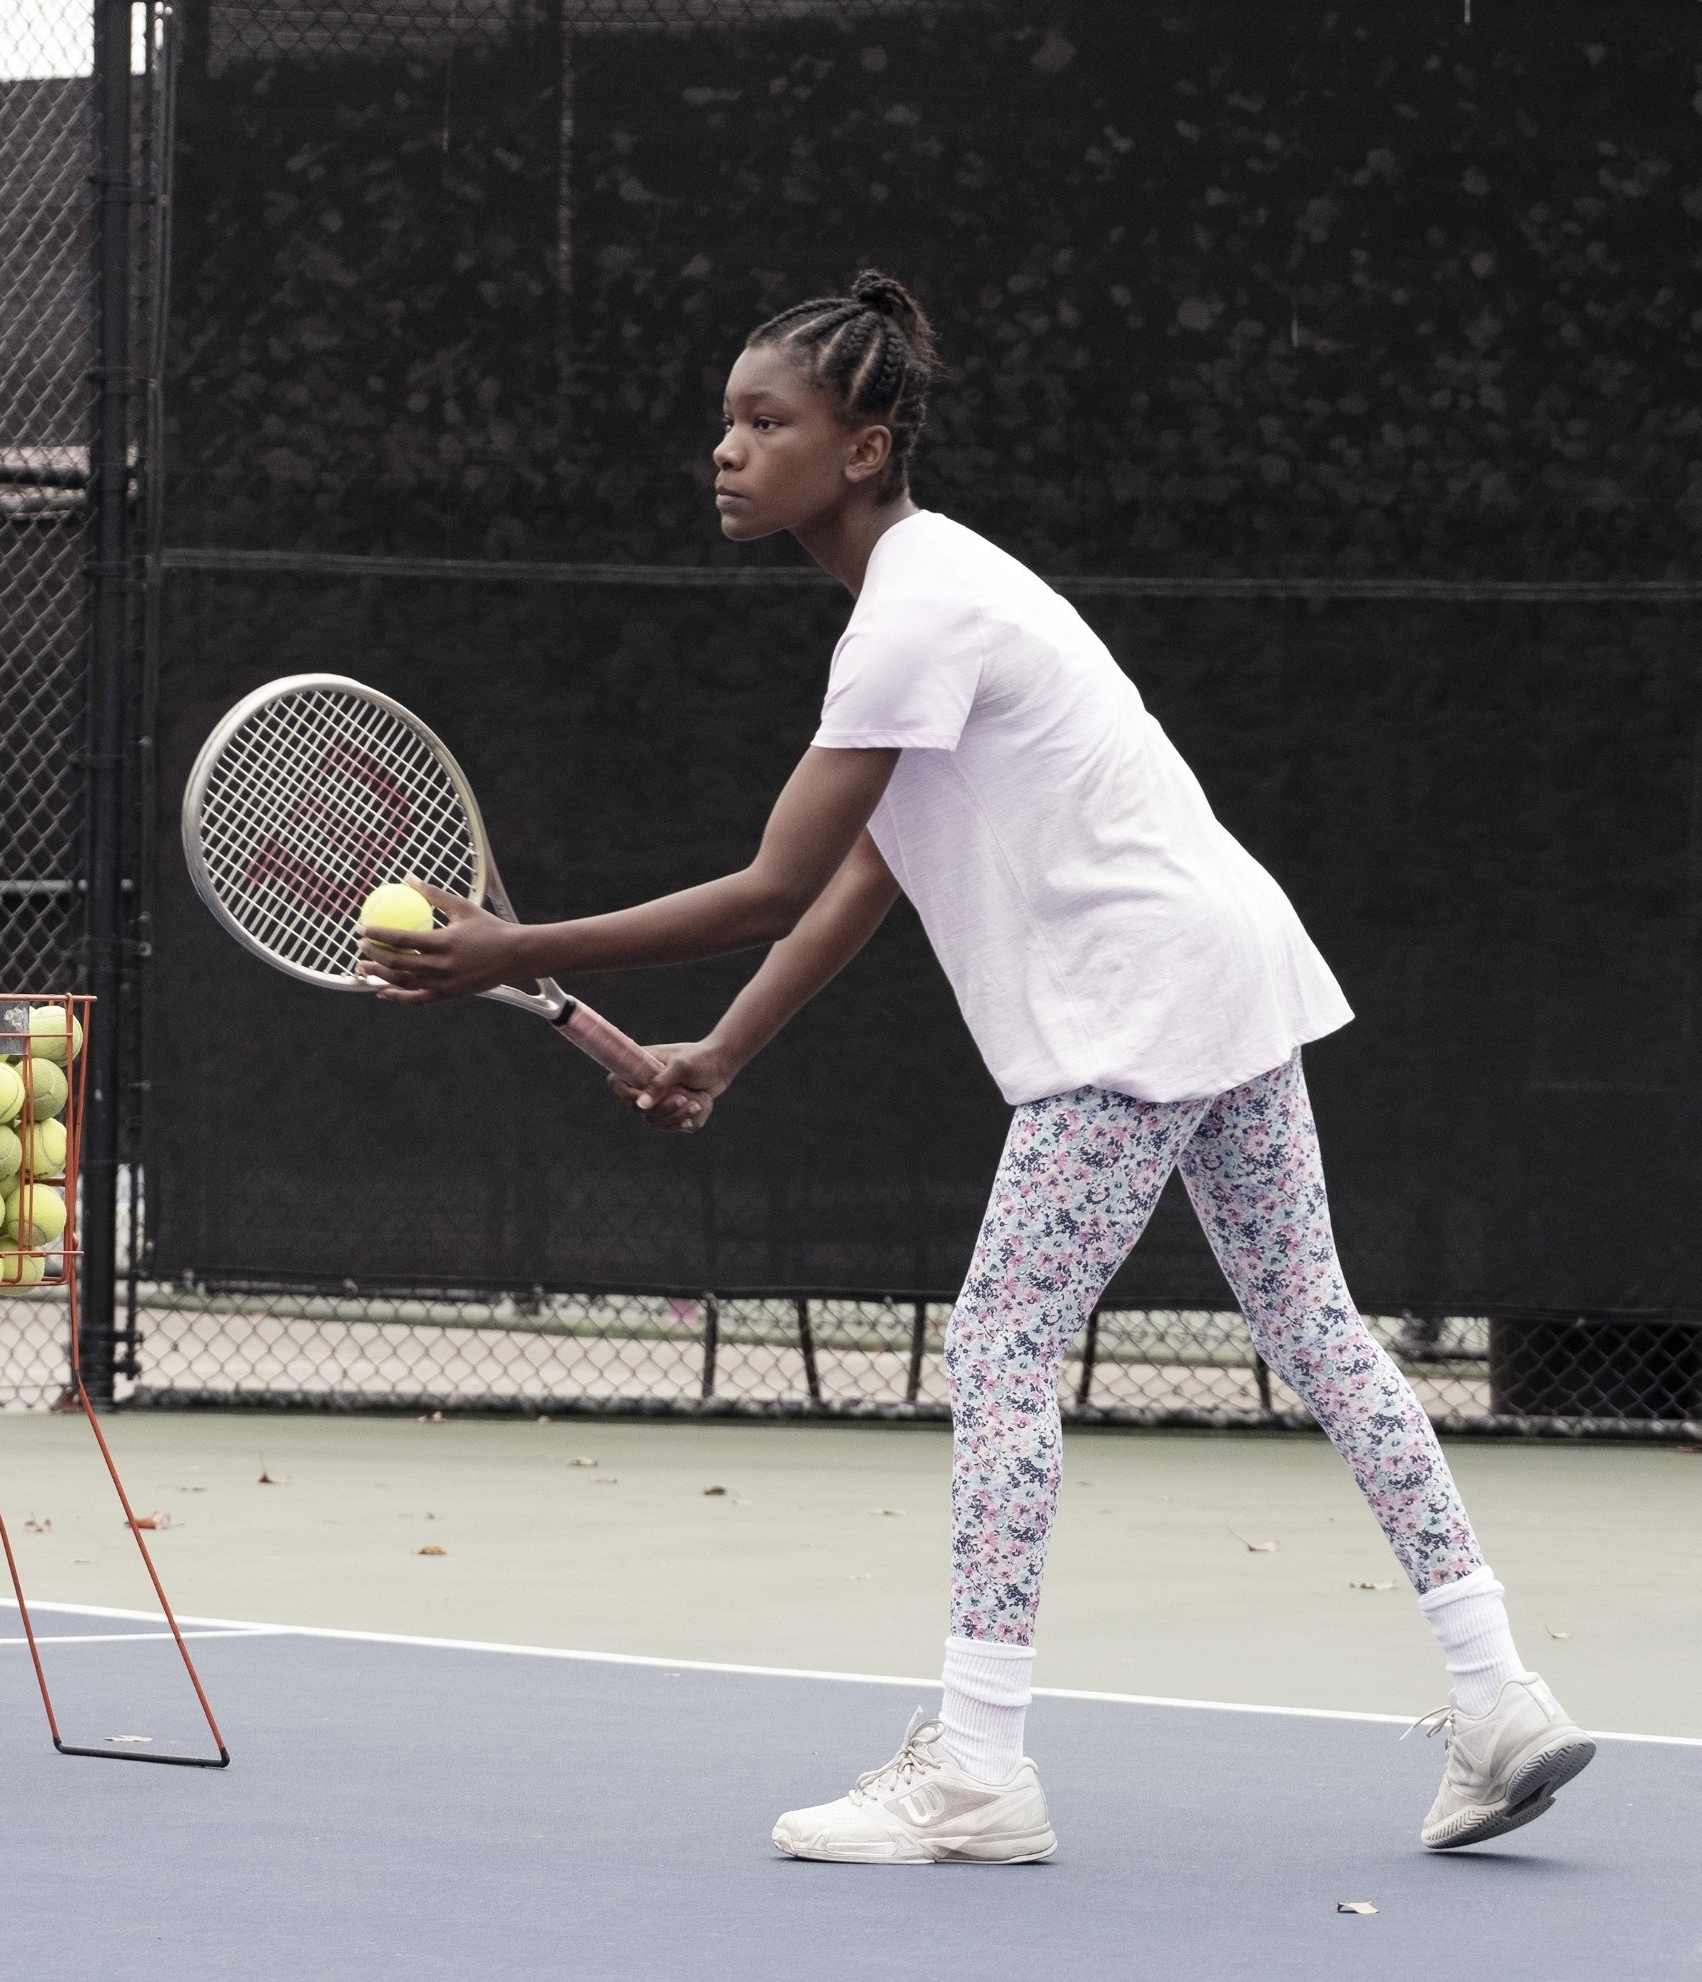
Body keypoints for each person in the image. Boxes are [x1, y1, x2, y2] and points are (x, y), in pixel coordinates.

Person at [357, 270, 1592, 1861]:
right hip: (1224, 961)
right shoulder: (938, 594)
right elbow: (872, 871)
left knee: (1005, 1340)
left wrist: (506, 953)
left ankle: (981, 1761)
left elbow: (770, 883)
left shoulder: (914, 608)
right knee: (1316, 1323)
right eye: (726, 420)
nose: (725, 450)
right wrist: (722, 1050)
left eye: (765, 421)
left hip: (1136, 1002)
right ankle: (1498, 1690)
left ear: (864, 447)